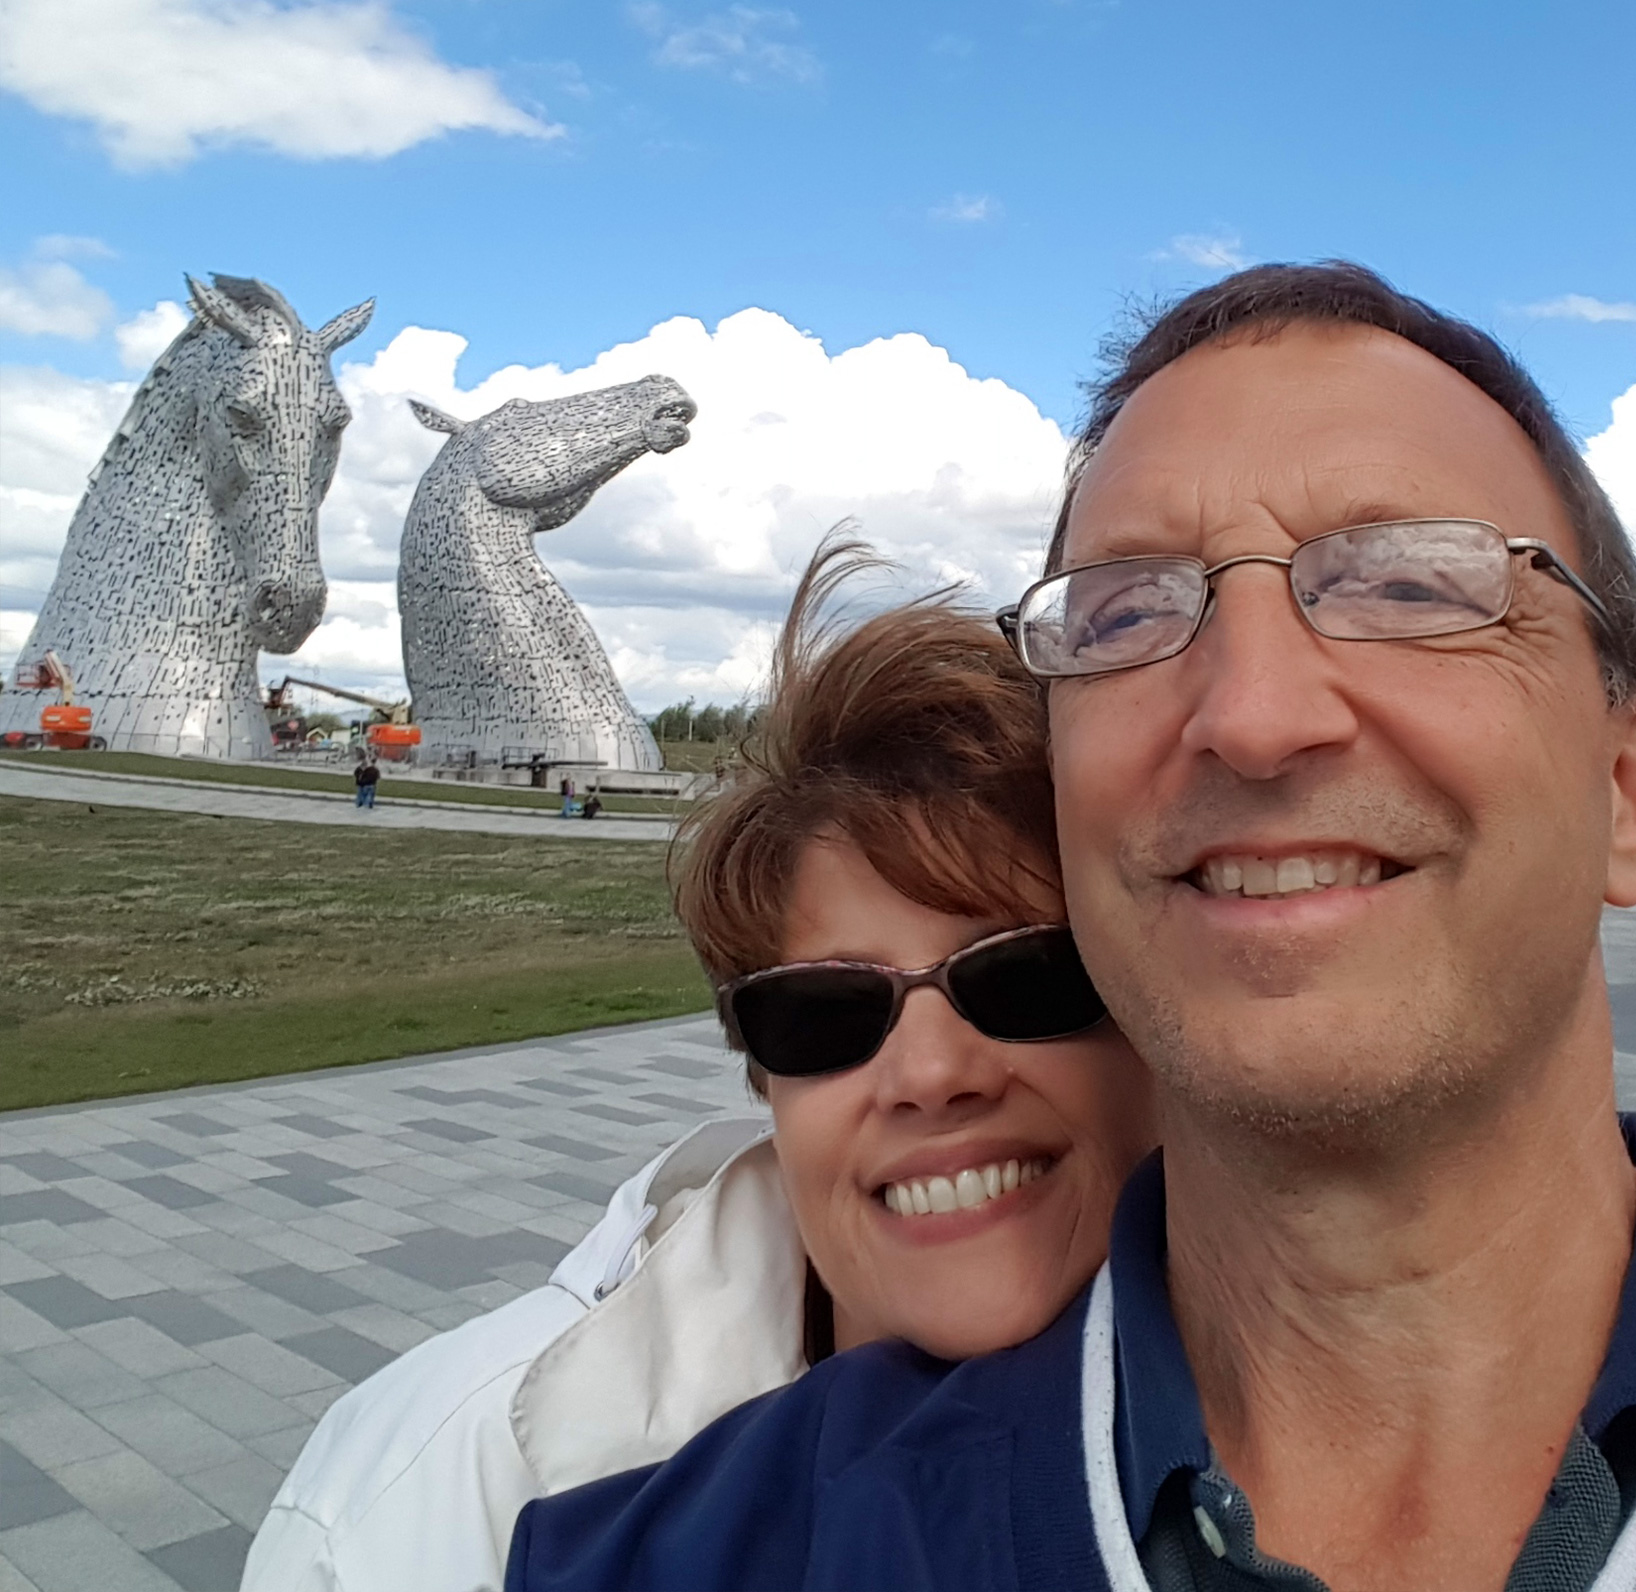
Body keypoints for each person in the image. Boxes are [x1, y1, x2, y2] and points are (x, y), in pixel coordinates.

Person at [511, 263, 1636, 1592]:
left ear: (1629, 790)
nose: (1250, 713)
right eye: (1127, 615)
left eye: (1407, 582)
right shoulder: (695, 1552)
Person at [242, 542, 1155, 1592]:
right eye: (822, 1014)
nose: (932, 1072)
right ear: (766, 1077)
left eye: (1027, 980)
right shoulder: (430, 1498)